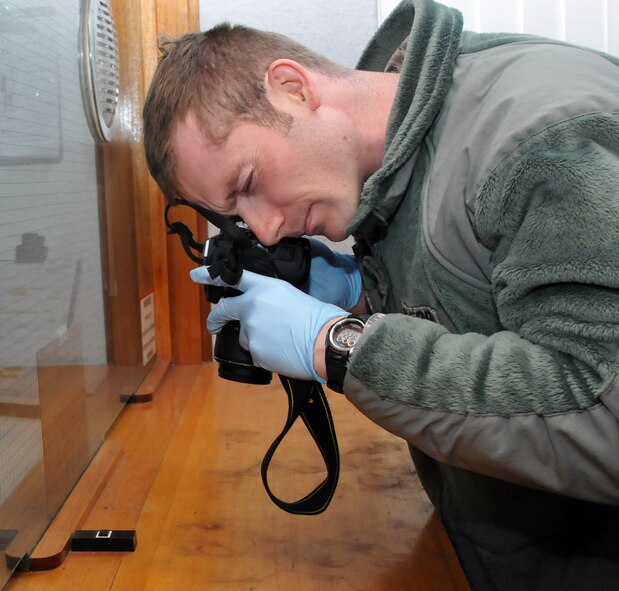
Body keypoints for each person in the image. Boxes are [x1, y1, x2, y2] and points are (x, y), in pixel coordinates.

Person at [143, 0, 619, 588]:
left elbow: (603, 408)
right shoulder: (386, 168)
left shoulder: (543, 140)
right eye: (235, 215)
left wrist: (335, 346)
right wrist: (361, 297)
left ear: (291, 87)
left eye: (248, 183)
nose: (264, 230)